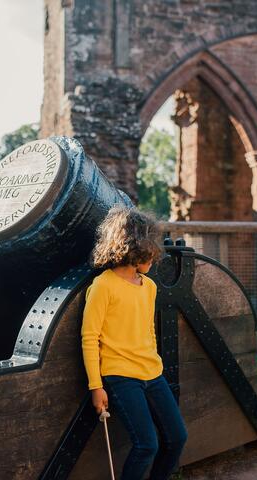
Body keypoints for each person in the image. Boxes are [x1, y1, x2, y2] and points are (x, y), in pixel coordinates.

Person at [81, 204, 188, 480]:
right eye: (150, 250)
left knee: (177, 437)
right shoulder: (103, 286)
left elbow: (148, 331)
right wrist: (96, 386)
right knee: (146, 445)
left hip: (153, 374)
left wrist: (156, 363)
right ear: (134, 247)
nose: (155, 256)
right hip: (120, 377)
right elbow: (90, 337)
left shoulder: (149, 287)